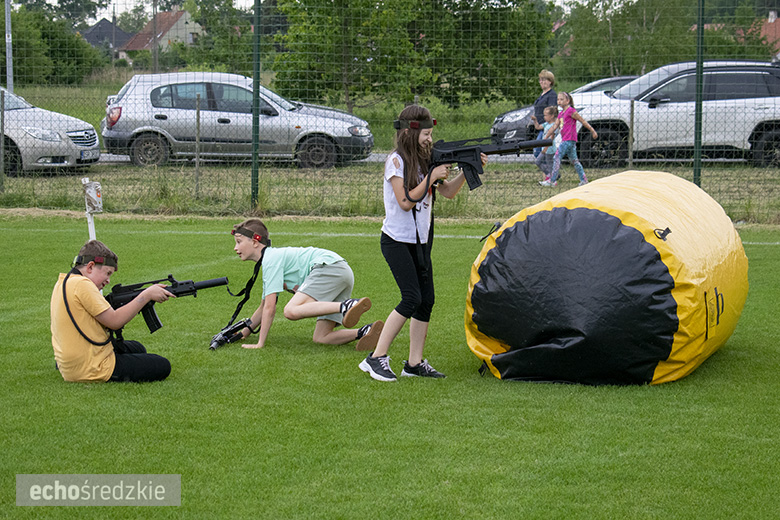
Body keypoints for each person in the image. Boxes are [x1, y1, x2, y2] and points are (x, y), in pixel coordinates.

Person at [359, 105, 488, 382]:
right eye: (426, 133)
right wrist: (431, 176)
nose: (430, 138)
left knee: (426, 300)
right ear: (409, 132)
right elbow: (405, 202)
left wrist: (467, 170)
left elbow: (448, 192)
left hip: (421, 240)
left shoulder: (425, 158)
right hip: (396, 241)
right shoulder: (396, 161)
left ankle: (414, 364)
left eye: (431, 133)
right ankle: (375, 358)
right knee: (411, 298)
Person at [229, 218, 382, 350]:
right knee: (321, 337)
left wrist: (260, 343)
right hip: (341, 271)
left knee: (290, 311)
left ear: (255, 242)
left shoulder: (271, 260)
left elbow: (270, 308)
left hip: (329, 268)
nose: (235, 248)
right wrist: (244, 333)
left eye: (239, 242)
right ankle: (365, 332)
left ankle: (347, 306)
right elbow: (264, 307)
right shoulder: (271, 259)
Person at [50, 240, 173, 383]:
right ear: (90, 267)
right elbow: (114, 321)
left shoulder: (63, 282)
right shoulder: (83, 284)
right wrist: (146, 295)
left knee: (138, 348)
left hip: (71, 363)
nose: (108, 280)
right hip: (92, 367)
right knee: (162, 365)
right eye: (107, 273)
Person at [540, 92, 598, 187]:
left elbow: (582, 121)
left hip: (568, 140)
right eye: (558, 99)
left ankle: (552, 180)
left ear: (567, 100)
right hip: (568, 141)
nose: (559, 101)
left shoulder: (571, 111)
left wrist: (592, 131)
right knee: (575, 161)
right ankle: (584, 180)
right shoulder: (561, 114)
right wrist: (546, 137)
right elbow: (555, 126)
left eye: (561, 99)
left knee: (556, 157)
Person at [530, 70, 558, 158]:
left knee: (539, 152)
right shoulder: (542, 95)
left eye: (544, 80)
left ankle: (549, 170)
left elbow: (553, 111)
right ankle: (548, 171)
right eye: (540, 80)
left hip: (547, 127)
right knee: (539, 151)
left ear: (550, 81)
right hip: (541, 126)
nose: (542, 82)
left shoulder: (552, 95)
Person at [534, 105, 559, 182]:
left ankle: (552, 179)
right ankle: (552, 175)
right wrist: (535, 120)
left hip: (549, 149)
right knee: (539, 162)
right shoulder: (546, 124)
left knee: (548, 164)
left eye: (545, 115)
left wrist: (545, 149)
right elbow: (538, 127)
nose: (544, 117)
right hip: (544, 148)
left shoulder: (554, 125)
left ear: (551, 116)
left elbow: (551, 139)